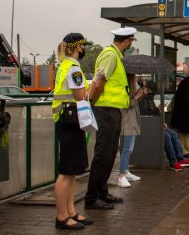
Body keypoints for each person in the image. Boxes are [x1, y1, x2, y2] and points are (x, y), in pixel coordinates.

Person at [84, 27, 136, 210]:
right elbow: (99, 81)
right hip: (105, 110)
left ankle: (102, 192)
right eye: (131, 41)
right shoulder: (110, 55)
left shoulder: (116, 56)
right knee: (102, 154)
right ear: (127, 41)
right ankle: (91, 197)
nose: (131, 44)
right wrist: (93, 102)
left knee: (109, 154)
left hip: (113, 111)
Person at [52, 33, 96, 230]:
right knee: (65, 172)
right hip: (70, 121)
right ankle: (61, 217)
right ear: (78, 47)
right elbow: (81, 96)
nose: (85, 49)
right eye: (83, 46)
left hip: (66, 120)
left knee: (71, 172)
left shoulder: (65, 65)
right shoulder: (74, 68)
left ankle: (71, 212)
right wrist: (95, 82)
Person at [118, 74, 148, 188]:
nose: (137, 78)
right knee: (127, 149)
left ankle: (125, 171)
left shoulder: (130, 88)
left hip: (132, 121)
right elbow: (125, 104)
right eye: (135, 76)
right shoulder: (124, 88)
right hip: (127, 122)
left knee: (129, 149)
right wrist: (136, 97)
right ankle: (121, 175)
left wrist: (138, 95)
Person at [171, 68, 189, 157]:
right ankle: (184, 151)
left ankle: (185, 150)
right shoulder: (188, 84)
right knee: (185, 132)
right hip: (185, 113)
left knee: (185, 132)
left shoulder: (185, 83)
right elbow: (186, 99)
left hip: (183, 112)